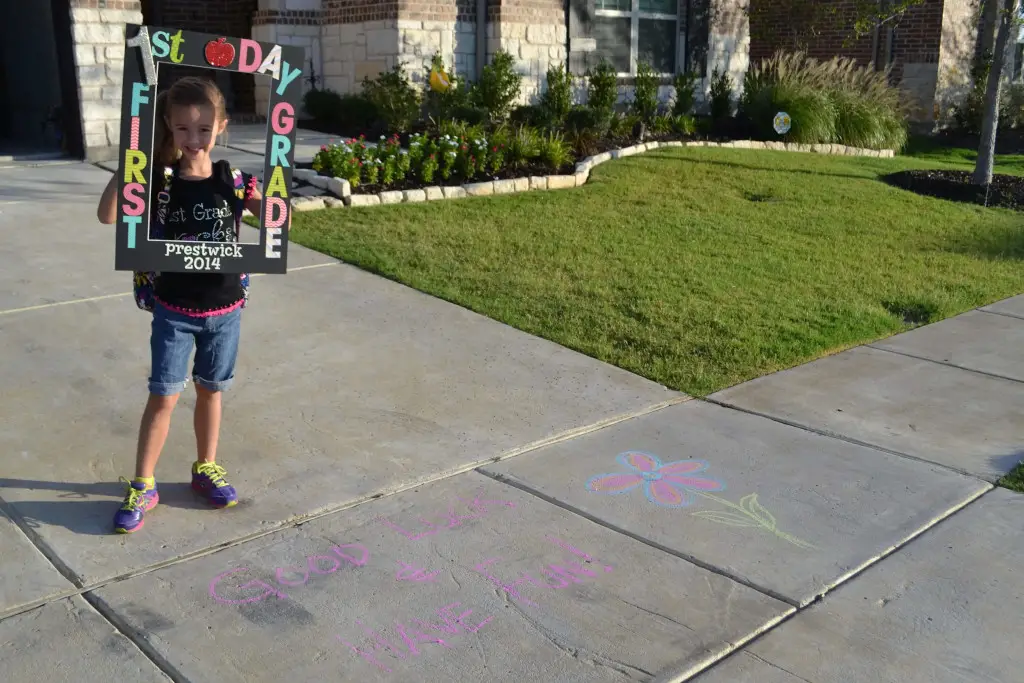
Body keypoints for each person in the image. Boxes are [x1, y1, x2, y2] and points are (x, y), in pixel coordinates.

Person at [97, 76, 264, 534]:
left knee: (212, 390)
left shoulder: (232, 178)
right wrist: (131, 165)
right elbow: (109, 215)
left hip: (226, 310)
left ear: (222, 128)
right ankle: (144, 483)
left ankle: (205, 467)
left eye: (204, 130)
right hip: (175, 312)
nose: (194, 139)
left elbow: (276, 217)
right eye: (184, 130)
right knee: (164, 397)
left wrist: (271, 199)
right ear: (168, 127)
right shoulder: (159, 183)